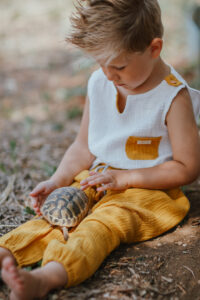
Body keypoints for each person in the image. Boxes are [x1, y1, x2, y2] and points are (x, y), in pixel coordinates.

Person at [1, 0, 200, 299]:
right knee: (55, 217)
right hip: (100, 178)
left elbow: (187, 168)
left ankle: (47, 277)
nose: (108, 75)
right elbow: (84, 146)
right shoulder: (100, 83)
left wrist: (125, 179)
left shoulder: (173, 96)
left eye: (118, 66)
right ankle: (7, 251)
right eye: (100, 64)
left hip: (148, 191)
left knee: (101, 226)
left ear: (154, 48)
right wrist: (57, 181)